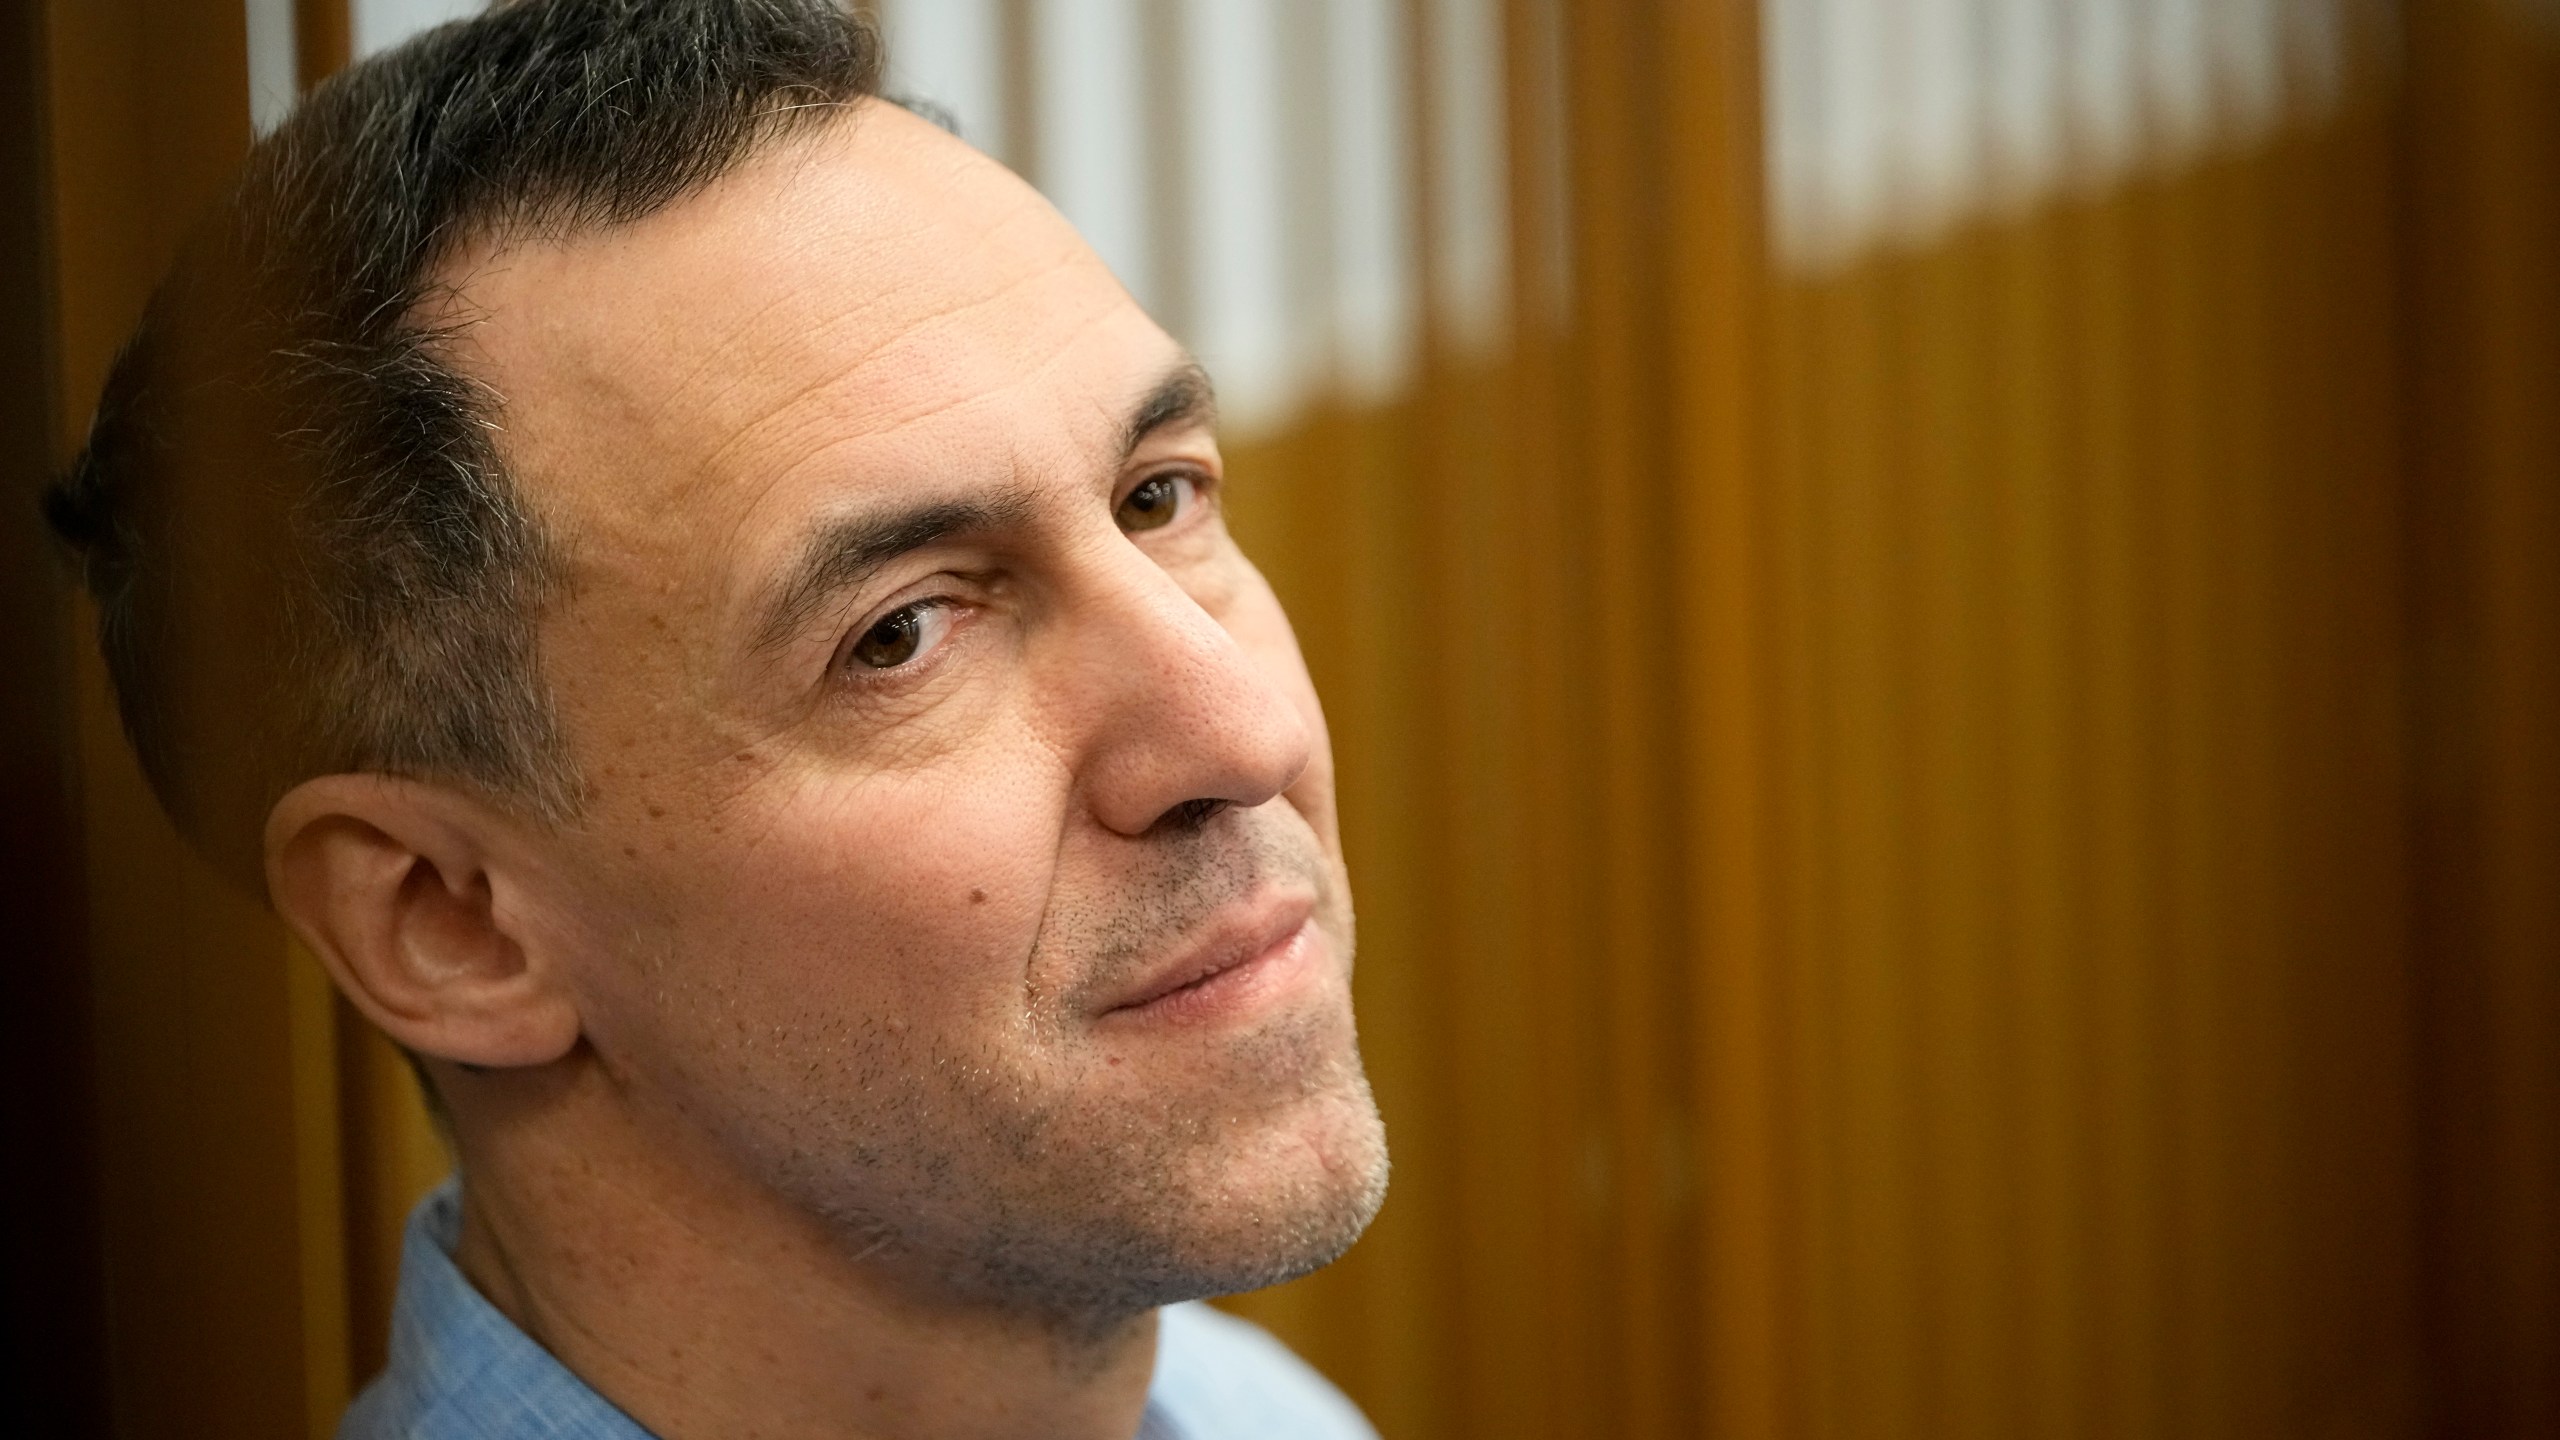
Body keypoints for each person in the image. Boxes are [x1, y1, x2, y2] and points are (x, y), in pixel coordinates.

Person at [41, 3, 1391, 1437]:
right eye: (901, 633)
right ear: (452, 920)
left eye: (1154, 498)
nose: (1243, 734)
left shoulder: (1249, 1410)